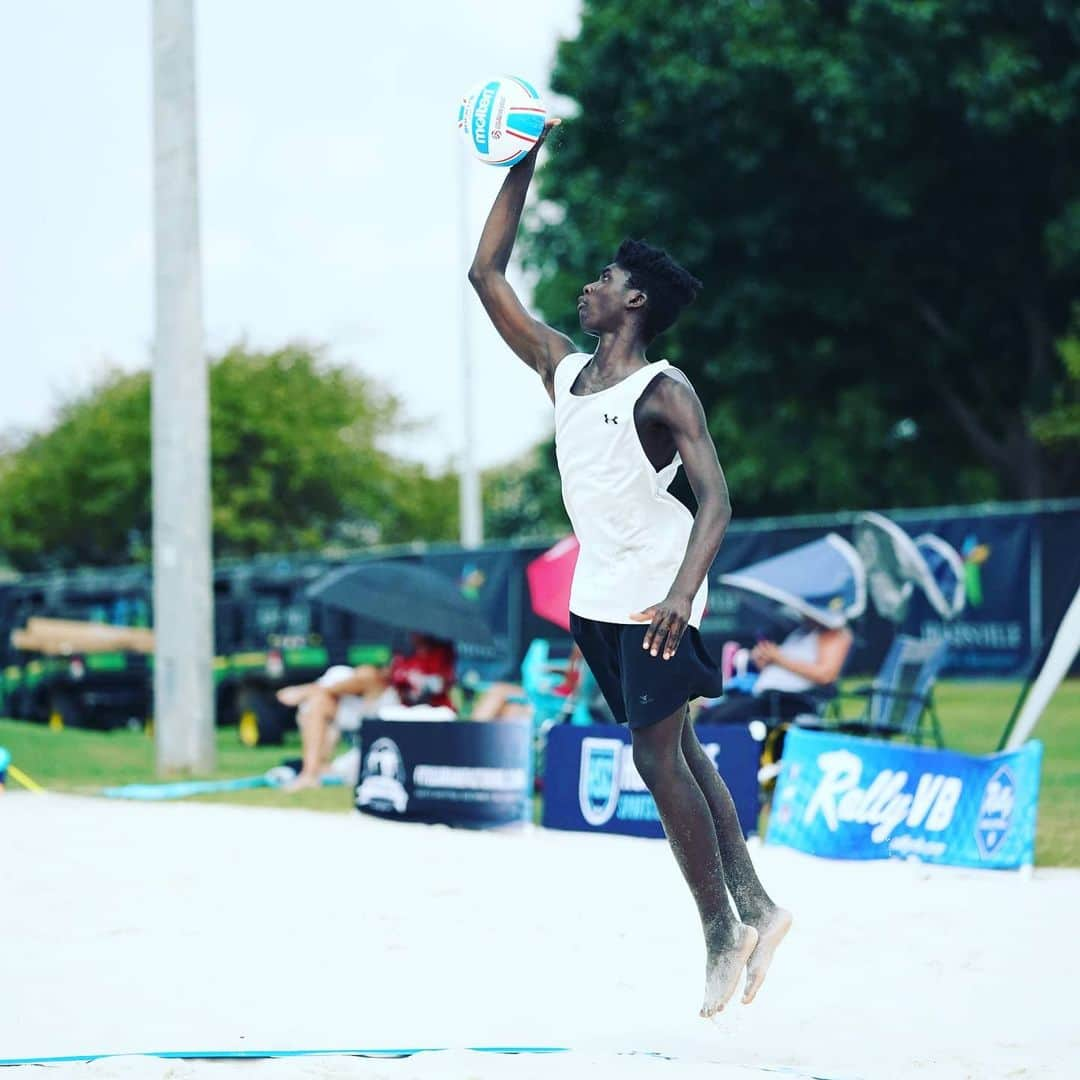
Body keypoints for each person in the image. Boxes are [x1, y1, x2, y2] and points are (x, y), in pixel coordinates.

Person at [468, 119, 791, 1018]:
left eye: (605, 279)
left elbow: (717, 500)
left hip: (656, 596)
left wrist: (682, 597)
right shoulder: (564, 373)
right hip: (598, 601)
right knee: (680, 749)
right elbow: (485, 276)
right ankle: (759, 905)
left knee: (657, 760)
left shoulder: (664, 390)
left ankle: (724, 931)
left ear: (636, 300)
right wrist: (523, 159)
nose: (588, 286)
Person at [700, 618, 853, 724]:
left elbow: (826, 675)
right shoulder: (799, 632)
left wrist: (778, 658)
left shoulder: (836, 634)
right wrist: (765, 660)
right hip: (763, 696)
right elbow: (781, 666)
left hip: (789, 701)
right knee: (707, 715)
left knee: (718, 718)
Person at [276, 662, 400, 792]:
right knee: (316, 706)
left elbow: (358, 679)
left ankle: (311, 773)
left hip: (387, 750)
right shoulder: (335, 702)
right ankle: (310, 773)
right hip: (362, 751)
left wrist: (301, 691)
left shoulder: (367, 676)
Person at [388, 633, 456, 709]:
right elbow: (397, 687)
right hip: (409, 710)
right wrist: (410, 693)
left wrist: (423, 682)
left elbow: (443, 684)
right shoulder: (404, 659)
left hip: (437, 708)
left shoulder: (442, 653)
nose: (415, 634)